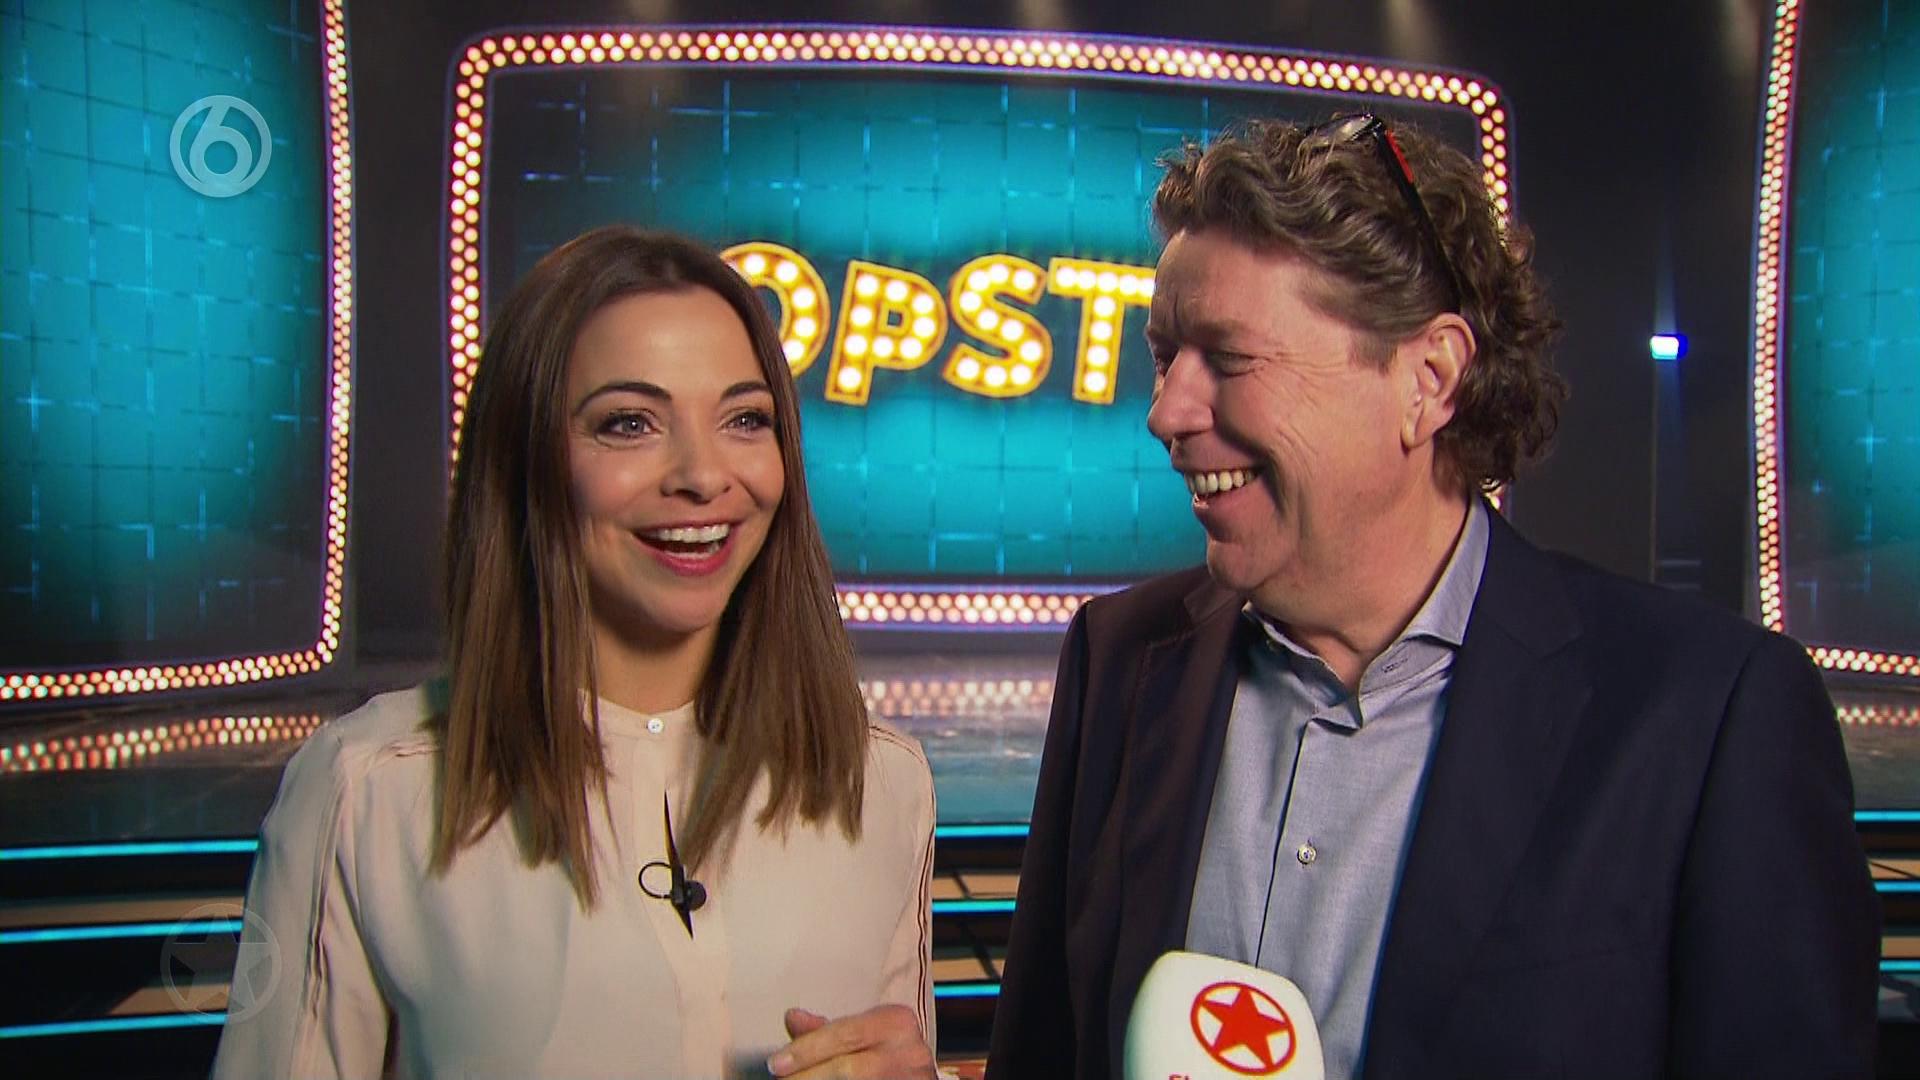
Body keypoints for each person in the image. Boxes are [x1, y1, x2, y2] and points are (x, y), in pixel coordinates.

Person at [988, 115, 1879, 1080]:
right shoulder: (1117, 658)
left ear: (1430, 379)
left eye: (1229, 359)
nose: (1166, 411)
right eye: (1166, 356)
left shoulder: (1709, 717)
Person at [213, 227, 937, 1079]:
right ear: (524, 462)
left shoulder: (881, 781)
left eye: (745, 418)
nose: (704, 476)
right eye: (629, 423)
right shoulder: (369, 790)